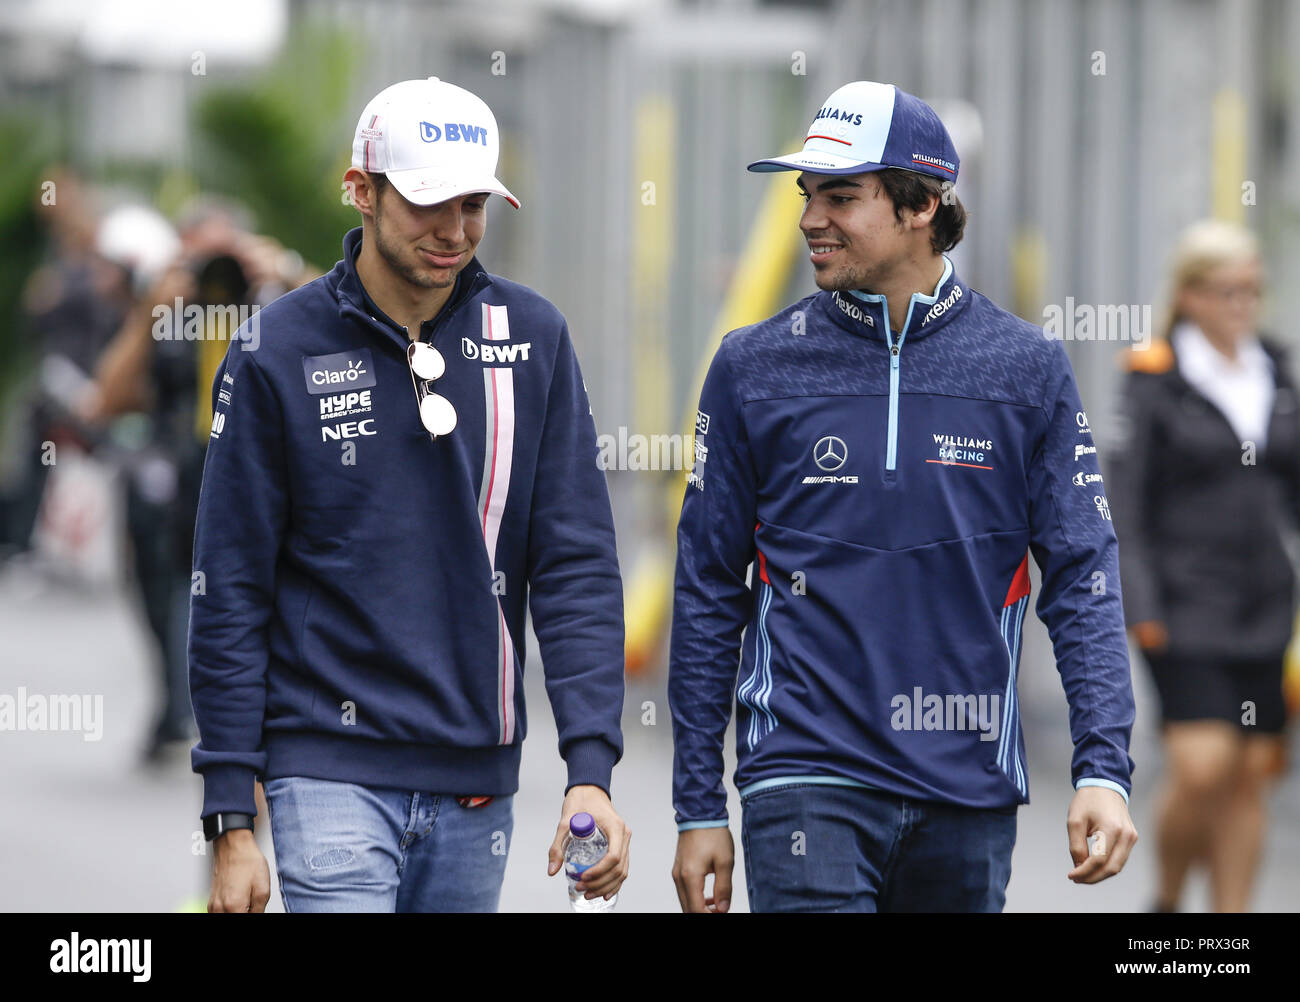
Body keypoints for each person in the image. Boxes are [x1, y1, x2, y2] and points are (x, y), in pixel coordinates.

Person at [669, 80, 1137, 913]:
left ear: (922, 205)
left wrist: (1104, 767)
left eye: (841, 196)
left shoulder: (1025, 365)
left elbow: (1083, 572)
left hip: (967, 790)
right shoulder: (752, 365)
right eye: (807, 194)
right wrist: (698, 803)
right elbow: (707, 586)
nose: (811, 217)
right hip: (804, 779)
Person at [190, 77, 629, 912]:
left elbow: (576, 568)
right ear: (361, 190)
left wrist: (591, 774)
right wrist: (229, 817)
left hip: (477, 782)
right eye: (429, 202)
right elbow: (228, 589)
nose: (454, 231)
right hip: (325, 770)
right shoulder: (272, 352)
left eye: (474, 205)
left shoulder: (535, 338)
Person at [1108, 219, 1297, 912]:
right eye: (1227, 292)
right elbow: (1122, 503)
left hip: (1264, 601)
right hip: (1184, 601)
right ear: (1190, 295)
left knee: (1250, 770)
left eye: (1252, 291)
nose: (1242, 306)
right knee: (1203, 764)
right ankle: (1166, 899)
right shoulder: (1156, 376)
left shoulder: (1274, 370)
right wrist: (1140, 604)